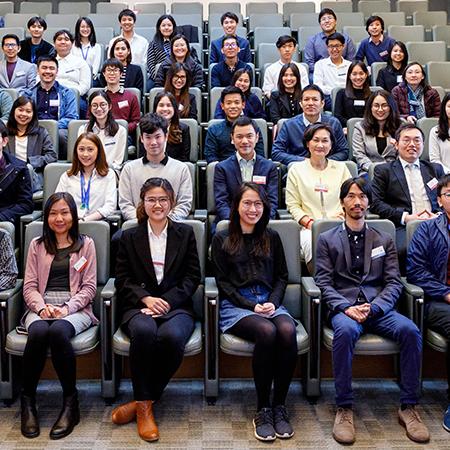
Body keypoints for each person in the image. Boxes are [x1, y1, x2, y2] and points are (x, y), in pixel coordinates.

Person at [315, 177, 429, 445]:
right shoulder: (326, 239)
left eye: (363, 196)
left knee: (411, 331)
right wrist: (346, 308)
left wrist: (375, 307)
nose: (358, 201)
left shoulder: (384, 238)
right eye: (352, 196)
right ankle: (344, 408)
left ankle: (409, 406)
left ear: (369, 202)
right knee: (343, 334)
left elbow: (393, 282)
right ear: (342, 202)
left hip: (378, 308)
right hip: (345, 310)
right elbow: (323, 282)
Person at [112, 177, 200, 442]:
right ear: (143, 203)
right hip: (139, 306)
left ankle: (142, 402)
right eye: (151, 199)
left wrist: (168, 301)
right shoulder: (129, 236)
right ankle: (145, 408)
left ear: (171, 202)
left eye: (163, 199)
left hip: (176, 306)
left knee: (172, 338)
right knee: (144, 333)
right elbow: (122, 279)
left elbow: (192, 277)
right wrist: (146, 299)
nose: (157, 204)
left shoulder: (185, 233)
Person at [211, 182, 297, 442]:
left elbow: (282, 276)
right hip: (237, 305)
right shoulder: (222, 237)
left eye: (258, 203)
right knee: (266, 331)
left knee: (286, 329)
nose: (252, 209)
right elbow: (223, 283)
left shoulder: (272, 236)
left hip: (269, 300)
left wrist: (272, 301)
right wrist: (251, 306)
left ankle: (279, 406)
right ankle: (262, 408)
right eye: (247, 203)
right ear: (237, 206)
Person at [20, 192, 97, 440]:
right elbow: (29, 285)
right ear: (46, 217)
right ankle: (28, 400)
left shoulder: (87, 244)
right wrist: (42, 308)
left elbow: (89, 288)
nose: (59, 218)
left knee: (59, 330)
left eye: (64, 212)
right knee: (40, 330)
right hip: (40, 305)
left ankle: (69, 402)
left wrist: (66, 308)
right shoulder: (37, 245)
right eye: (53, 213)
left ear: (73, 215)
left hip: (75, 308)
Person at [407, 173, 450, 433]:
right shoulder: (427, 229)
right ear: (439, 199)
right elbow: (416, 272)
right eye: (449, 194)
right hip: (439, 300)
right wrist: (445, 293)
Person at [371, 123, 445, 263]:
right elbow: (376, 203)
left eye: (417, 140)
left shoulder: (435, 169)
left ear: (423, 145)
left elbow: (446, 197)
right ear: (397, 145)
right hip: (403, 226)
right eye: (406, 140)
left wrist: (438, 215)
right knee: (406, 249)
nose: (412, 144)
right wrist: (405, 217)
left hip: (437, 222)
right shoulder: (384, 171)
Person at [286, 123, 351, 266]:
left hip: (340, 224)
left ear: (331, 144)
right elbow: (293, 205)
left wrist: (340, 217)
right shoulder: (296, 170)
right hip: (308, 228)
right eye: (316, 140)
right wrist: (311, 224)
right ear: (308, 143)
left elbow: (350, 199)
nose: (320, 145)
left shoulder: (341, 168)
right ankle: (320, 284)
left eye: (325, 140)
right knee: (312, 242)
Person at [119, 113, 192, 222]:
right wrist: (146, 222)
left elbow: (184, 204)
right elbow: (126, 204)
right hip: (139, 226)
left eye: (158, 137)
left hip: (171, 226)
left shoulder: (181, 169)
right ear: (141, 139)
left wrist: (163, 222)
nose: (153, 142)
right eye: (148, 137)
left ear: (166, 137)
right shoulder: (129, 169)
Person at [214, 116, 278, 225]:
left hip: (261, 223)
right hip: (231, 223)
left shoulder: (269, 167)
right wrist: (239, 224)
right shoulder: (222, 168)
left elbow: (271, 202)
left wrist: (258, 222)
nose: (244, 141)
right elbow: (221, 203)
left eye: (249, 136)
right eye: (239, 137)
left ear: (257, 137)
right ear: (232, 139)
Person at [271, 84, 349, 165]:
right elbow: (276, 152)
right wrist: (303, 161)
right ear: (301, 103)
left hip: (327, 168)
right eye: (306, 99)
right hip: (299, 168)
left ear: (322, 103)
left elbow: (343, 151)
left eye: (315, 99)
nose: (310, 103)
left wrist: (324, 161)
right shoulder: (289, 125)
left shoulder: (333, 123)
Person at [24, 55, 78, 160]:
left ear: (57, 71)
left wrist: (52, 126)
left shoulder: (67, 93)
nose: (48, 71)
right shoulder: (28, 94)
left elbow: (72, 117)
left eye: (52, 68)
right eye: (44, 68)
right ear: (37, 71)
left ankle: (64, 163)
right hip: (34, 128)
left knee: (63, 135)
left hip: (59, 129)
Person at [56, 132, 117, 221]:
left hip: (97, 223)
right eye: (81, 149)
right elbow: (57, 204)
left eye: (90, 149)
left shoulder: (109, 175)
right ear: (76, 151)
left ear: (98, 151)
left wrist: (85, 220)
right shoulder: (67, 176)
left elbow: (110, 206)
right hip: (70, 224)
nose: (85, 154)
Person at [5, 96, 56, 191]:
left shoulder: (41, 133)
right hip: (7, 175)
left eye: (28, 111)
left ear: (33, 114)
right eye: (20, 110)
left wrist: (30, 162)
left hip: (31, 176)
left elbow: (51, 156)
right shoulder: (4, 132)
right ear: (14, 111)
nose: (23, 114)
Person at [204, 86, 265, 163]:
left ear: (243, 105)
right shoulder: (214, 129)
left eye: (236, 102)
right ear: (222, 106)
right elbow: (210, 156)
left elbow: (260, 154)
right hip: (223, 171)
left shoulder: (253, 127)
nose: (233, 106)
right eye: (228, 103)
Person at [352, 91, 401, 174]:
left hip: (394, 172)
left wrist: (390, 170)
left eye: (384, 105)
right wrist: (374, 169)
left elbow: (403, 154)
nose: (380, 109)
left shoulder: (401, 126)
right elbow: (359, 155)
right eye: (376, 106)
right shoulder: (360, 127)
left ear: (391, 107)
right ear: (370, 107)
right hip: (368, 172)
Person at [79, 90, 127, 171]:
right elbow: (81, 156)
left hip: (110, 172)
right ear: (90, 108)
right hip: (88, 171)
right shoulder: (83, 130)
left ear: (110, 106)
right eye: (94, 105)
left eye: (103, 105)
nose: (99, 109)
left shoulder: (120, 131)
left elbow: (118, 162)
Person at [304, 8, 356, 76]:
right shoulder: (312, 40)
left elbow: (351, 60)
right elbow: (309, 62)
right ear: (320, 23)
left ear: (335, 21)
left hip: (342, 72)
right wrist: (326, 72)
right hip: (320, 73)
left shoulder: (346, 39)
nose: (327, 21)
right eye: (323, 19)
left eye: (330, 18)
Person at [0, 120, 33, 223]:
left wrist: (2, 216)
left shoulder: (20, 168)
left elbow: (25, 205)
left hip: (4, 222)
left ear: (4, 141)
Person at [53, 30, 91, 118]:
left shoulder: (80, 62)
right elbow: (39, 79)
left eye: (66, 39)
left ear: (72, 43)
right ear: (54, 43)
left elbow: (85, 85)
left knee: (81, 106)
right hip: (52, 94)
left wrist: (70, 94)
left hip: (75, 96)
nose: (63, 42)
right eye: (59, 39)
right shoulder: (49, 62)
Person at [101, 59, 141, 142]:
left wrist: (121, 128)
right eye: (109, 70)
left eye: (115, 70)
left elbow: (136, 121)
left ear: (121, 74)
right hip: (101, 133)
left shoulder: (131, 96)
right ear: (104, 74)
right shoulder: (98, 96)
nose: (112, 73)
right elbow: (89, 118)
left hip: (124, 134)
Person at [313, 32, 351, 111]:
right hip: (328, 98)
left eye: (337, 46)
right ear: (327, 47)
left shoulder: (350, 65)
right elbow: (318, 86)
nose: (334, 49)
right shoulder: (320, 64)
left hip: (346, 97)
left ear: (343, 46)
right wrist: (334, 92)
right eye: (331, 46)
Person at [153, 91, 191, 162]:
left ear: (174, 108)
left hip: (174, 170)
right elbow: (143, 158)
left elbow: (184, 158)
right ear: (155, 108)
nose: (165, 109)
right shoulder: (147, 128)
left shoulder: (183, 129)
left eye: (169, 105)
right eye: (161, 105)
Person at [334, 61, 371, 130]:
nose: (358, 77)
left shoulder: (372, 95)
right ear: (349, 76)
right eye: (354, 74)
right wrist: (351, 126)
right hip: (347, 129)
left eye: (361, 73)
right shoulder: (341, 93)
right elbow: (338, 116)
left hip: (367, 130)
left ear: (366, 75)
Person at [146, 14, 177, 87]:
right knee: (149, 87)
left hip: (176, 74)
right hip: (157, 76)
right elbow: (150, 64)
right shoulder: (153, 44)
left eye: (169, 25)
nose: (166, 28)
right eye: (163, 25)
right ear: (159, 28)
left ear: (173, 27)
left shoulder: (178, 42)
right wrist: (159, 78)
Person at [268, 63, 303, 127]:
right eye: (285, 75)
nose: (289, 78)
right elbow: (275, 118)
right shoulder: (275, 95)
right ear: (281, 78)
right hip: (282, 129)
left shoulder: (303, 95)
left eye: (292, 75)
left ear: (297, 77)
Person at [429, 93, 450, 173]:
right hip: (445, 177)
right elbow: (435, 160)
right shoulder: (435, 131)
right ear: (444, 108)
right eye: (449, 106)